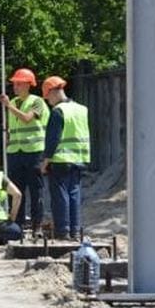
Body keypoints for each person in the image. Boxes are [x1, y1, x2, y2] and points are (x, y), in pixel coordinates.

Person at [0, 68, 49, 236]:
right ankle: (17, 225)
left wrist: (8, 106)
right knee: (17, 191)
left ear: (29, 84)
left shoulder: (37, 101)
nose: (16, 86)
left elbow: (27, 119)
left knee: (36, 190)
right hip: (15, 152)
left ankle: (37, 225)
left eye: (19, 83)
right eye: (14, 83)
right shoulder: (12, 101)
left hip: (33, 152)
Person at [40, 76, 91, 241]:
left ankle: (63, 231)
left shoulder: (58, 111)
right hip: (78, 159)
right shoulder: (81, 109)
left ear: (53, 92)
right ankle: (75, 231)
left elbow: (52, 139)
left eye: (47, 97)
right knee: (74, 195)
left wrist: (45, 161)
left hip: (60, 160)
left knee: (60, 197)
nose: (48, 101)